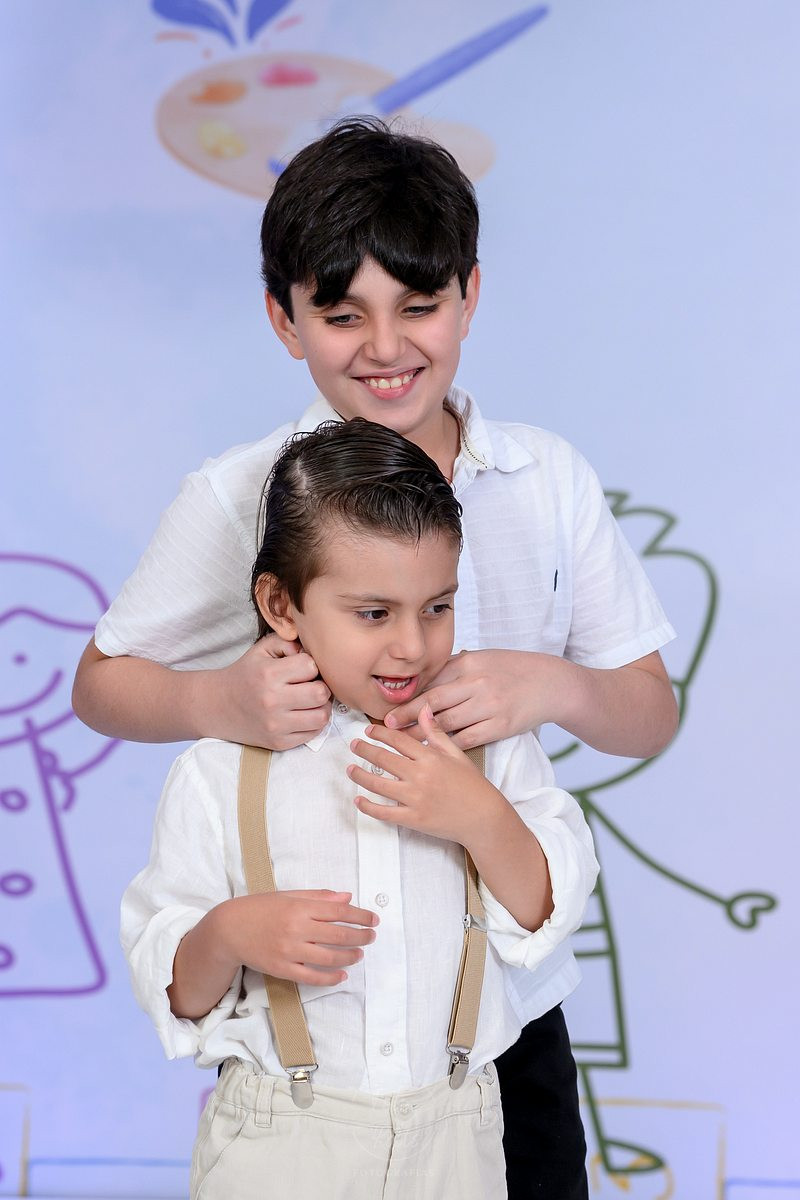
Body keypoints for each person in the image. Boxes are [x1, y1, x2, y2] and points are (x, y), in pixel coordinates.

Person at [75, 119, 677, 1197]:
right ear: (283, 318)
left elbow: (648, 713)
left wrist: (548, 684)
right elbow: (101, 685)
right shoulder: (245, 494)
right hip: (324, 1037)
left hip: (493, 1011)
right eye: (341, 313)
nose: (385, 347)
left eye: (419, 305)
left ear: (469, 295)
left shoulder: (545, 480)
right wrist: (223, 700)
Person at [121, 419, 599, 1200]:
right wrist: (230, 933)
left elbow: (550, 909)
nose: (412, 645)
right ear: (281, 604)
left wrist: (480, 816)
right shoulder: (221, 768)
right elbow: (174, 986)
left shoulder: (488, 746)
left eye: (437, 607)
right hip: (280, 1143)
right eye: (374, 614)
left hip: (457, 1136)